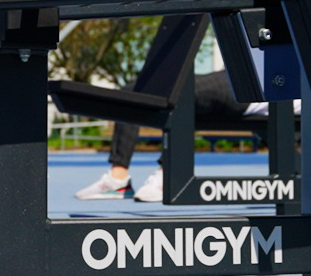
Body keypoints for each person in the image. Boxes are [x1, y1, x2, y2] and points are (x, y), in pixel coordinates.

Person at [73, 71, 280, 202]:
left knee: (180, 92)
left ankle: (169, 174)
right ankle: (117, 179)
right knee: (133, 91)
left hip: (258, 89)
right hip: (246, 76)